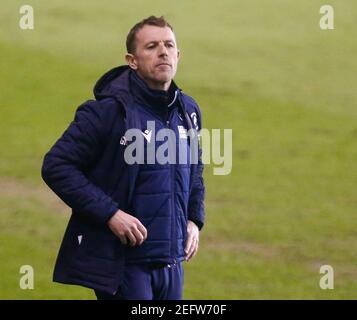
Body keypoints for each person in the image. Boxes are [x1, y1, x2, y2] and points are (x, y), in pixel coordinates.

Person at [41, 15, 205, 300]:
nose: (163, 52)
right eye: (152, 46)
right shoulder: (107, 112)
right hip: (124, 264)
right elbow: (57, 165)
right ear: (132, 60)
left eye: (169, 45)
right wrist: (111, 214)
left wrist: (194, 219)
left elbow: (195, 170)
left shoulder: (187, 110)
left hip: (172, 261)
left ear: (178, 55)